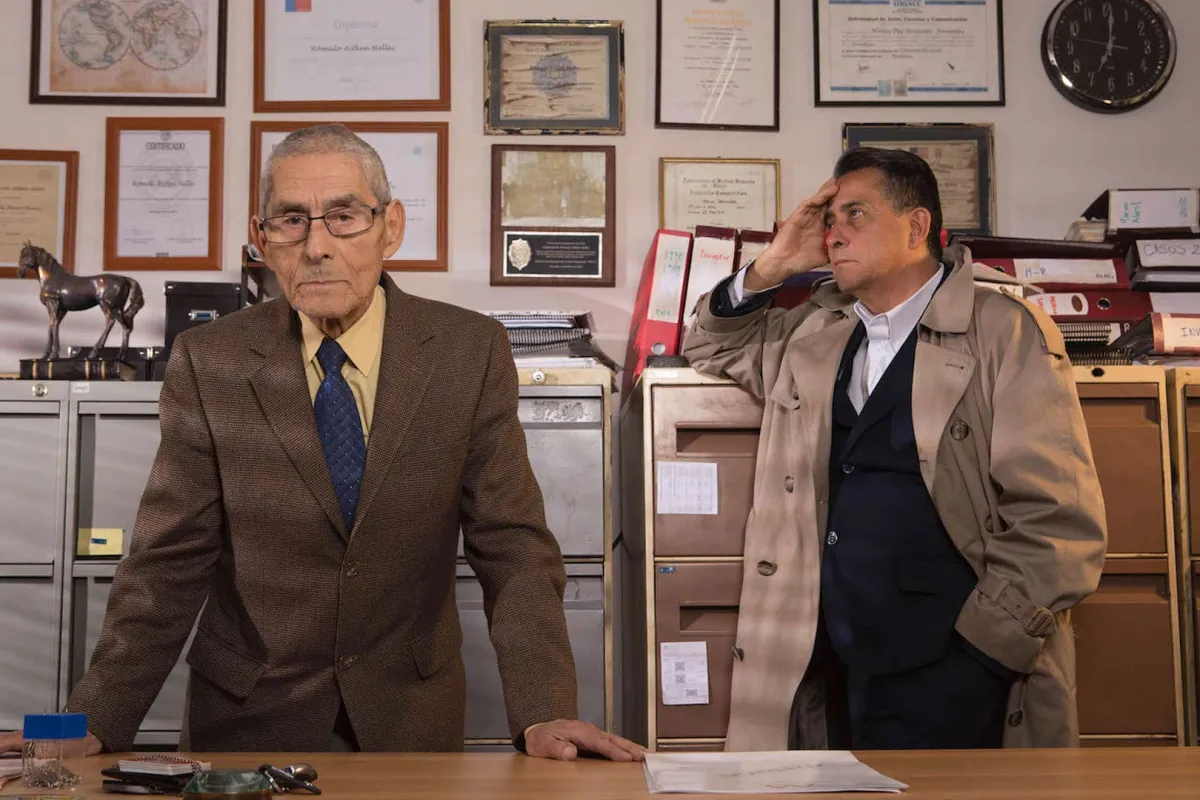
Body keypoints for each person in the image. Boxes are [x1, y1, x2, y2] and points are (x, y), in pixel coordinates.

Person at [0, 124, 642, 762]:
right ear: (262, 239)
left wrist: (545, 710)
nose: (317, 247)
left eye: (344, 216)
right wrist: (94, 718)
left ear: (391, 227)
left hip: (409, 719)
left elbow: (513, 544)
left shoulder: (466, 351)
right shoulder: (210, 361)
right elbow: (169, 560)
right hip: (248, 721)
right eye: (291, 220)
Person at [682, 147, 1106, 751]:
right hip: (828, 665)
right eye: (830, 221)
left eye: (856, 214)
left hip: (958, 664)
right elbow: (711, 346)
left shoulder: (1004, 329)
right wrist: (774, 265)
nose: (834, 234)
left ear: (917, 226)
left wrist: (984, 657)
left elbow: (1059, 520)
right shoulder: (815, 328)